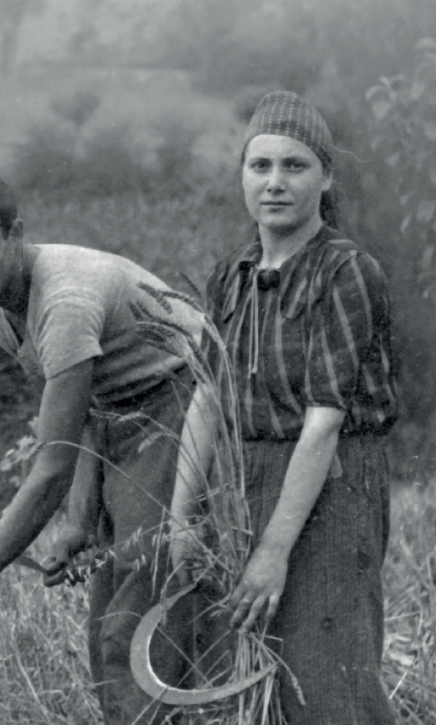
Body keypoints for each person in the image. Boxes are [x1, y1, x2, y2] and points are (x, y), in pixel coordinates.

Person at [0, 168, 204, 725]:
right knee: (106, 621)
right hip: (121, 418)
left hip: (183, 406)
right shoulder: (1, 309)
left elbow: (50, 469)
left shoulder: (64, 302)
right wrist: (79, 520)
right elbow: (81, 414)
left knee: (143, 616)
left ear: (16, 233)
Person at [168, 91, 398, 724]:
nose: (275, 182)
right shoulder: (232, 274)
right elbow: (208, 397)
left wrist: (273, 552)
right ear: (242, 175)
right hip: (244, 481)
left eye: (294, 166)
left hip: (333, 483)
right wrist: (181, 516)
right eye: (260, 166)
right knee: (248, 672)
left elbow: (324, 423)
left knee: (325, 672)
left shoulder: (345, 271)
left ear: (326, 178)